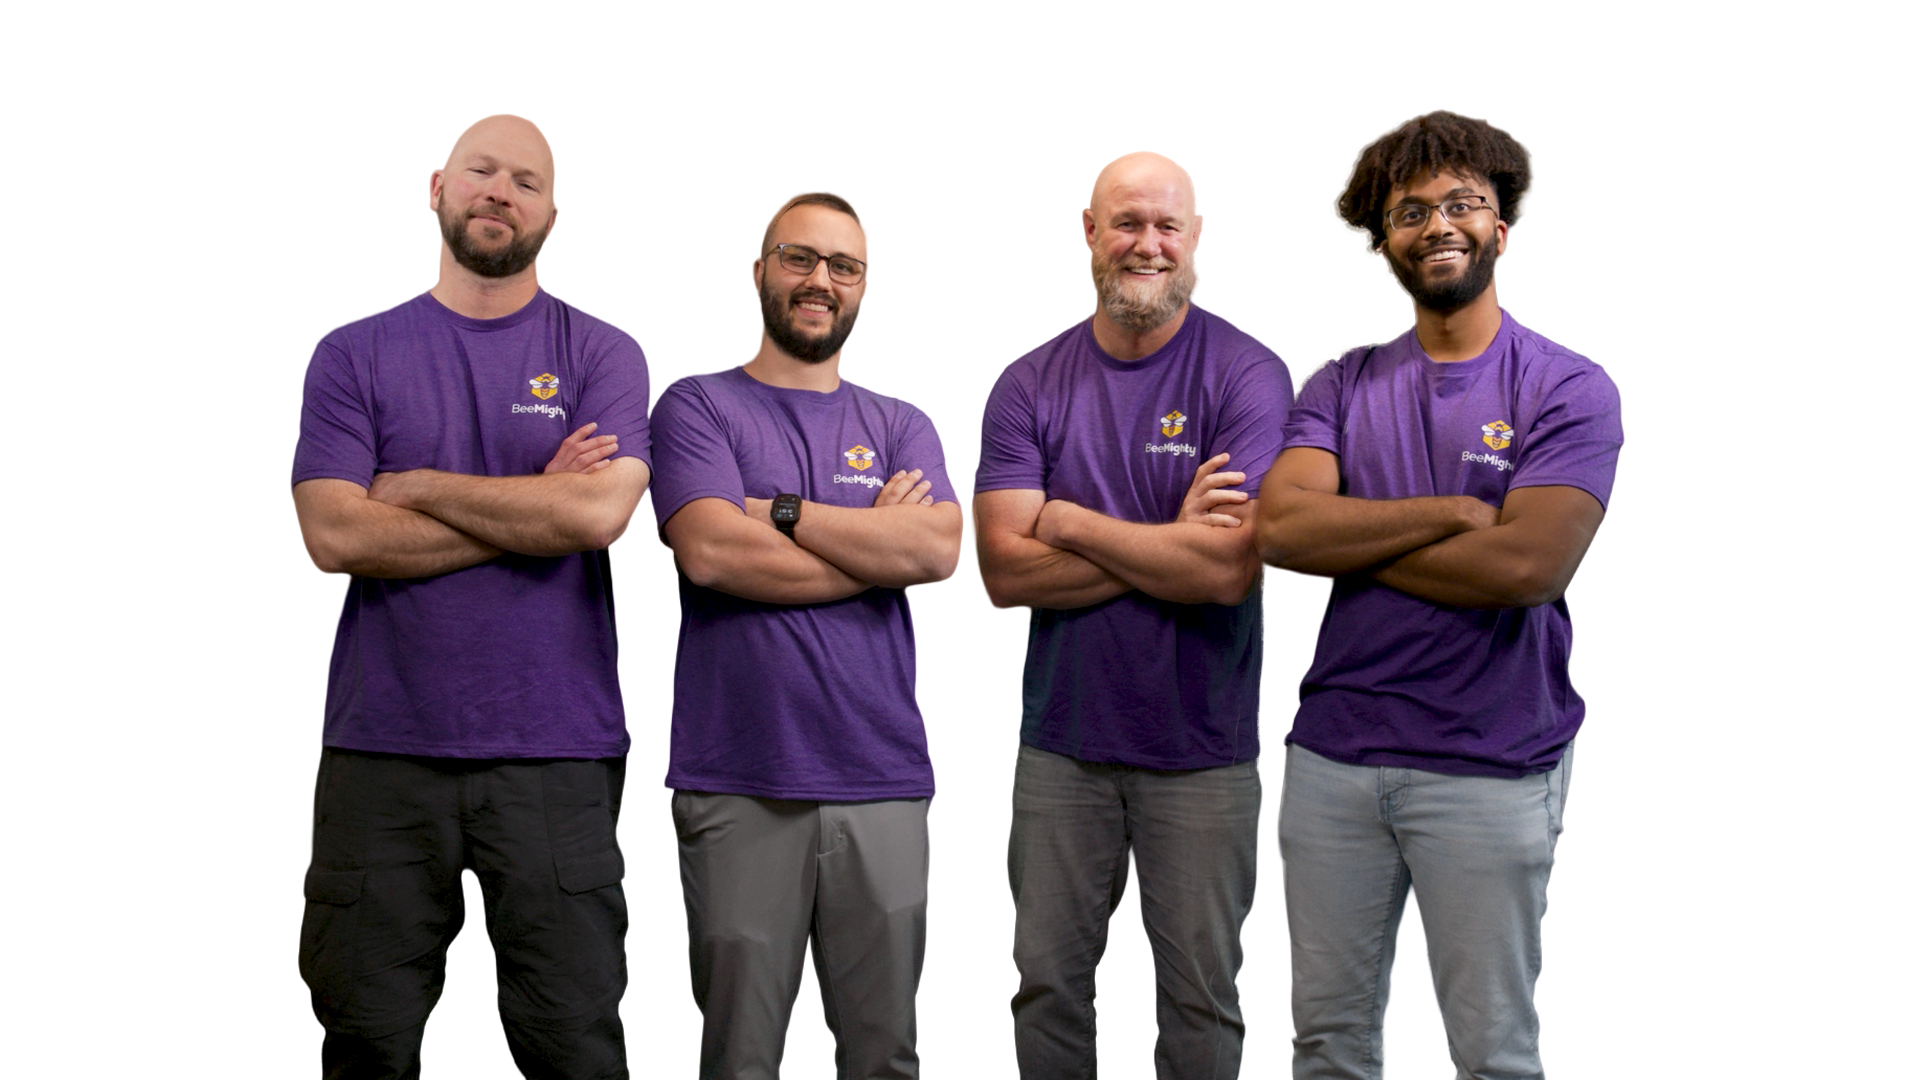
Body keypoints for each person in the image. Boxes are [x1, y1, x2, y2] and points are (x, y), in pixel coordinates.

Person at [1254, 109, 1624, 1080]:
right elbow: (1282, 530)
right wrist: (1457, 511)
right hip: (1335, 761)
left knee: (1492, 1052)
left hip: (1491, 762)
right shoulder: (1342, 382)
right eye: (1410, 210)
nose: (1438, 224)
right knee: (1329, 1045)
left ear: (1504, 223)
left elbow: (1525, 570)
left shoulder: (1567, 387)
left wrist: (1357, 537)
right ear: (1383, 241)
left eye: (1464, 201)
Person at [290, 113, 653, 1080]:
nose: (501, 190)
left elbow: (589, 520)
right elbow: (334, 536)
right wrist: (536, 491)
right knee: (364, 1034)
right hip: (384, 746)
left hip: (556, 748)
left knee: (574, 1039)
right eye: (481, 170)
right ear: (437, 191)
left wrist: (409, 487)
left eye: (527, 180)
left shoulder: (603, 354)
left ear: (552, 212)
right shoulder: (354, 355)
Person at [970, 150, 1295, 1079]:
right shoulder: (1030, 385)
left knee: (1201, 996)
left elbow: (1229, 569)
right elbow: (1003, 571)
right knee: (1046, 985)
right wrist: (1164, 542)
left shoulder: (1247, 376)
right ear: (1089, 233)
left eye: (1165, 226)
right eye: (1125, 223)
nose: (1144, 245)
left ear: (1196, 240)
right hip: (1062, 747)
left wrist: (1069, 521)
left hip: (1200, 751)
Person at [648, 189, 963, 1080]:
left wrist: (777, 512)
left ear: (863, 285)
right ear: (762, 267)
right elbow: (712, 552)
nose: (820, 280)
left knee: (883, 1055)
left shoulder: (901, 424)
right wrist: (874, 547)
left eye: (844, 266)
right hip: (740, 779)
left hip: (881, 779)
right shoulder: (697, 407)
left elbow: (937, 548)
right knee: (740, 1057)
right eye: (800, 258)